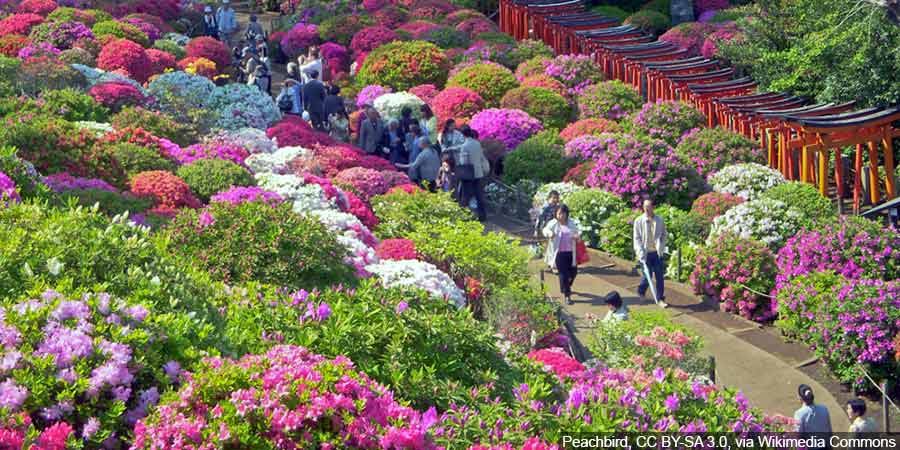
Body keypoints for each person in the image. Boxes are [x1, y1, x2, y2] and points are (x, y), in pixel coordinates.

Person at [633, 199, 667, 306]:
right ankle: (641, 291)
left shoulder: (659, 220)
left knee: (659, 276)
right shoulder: (638, 221)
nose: (646, 209)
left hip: (656, 253)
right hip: (645, 254)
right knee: (647, 276)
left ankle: (660, 298)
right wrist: (639, 252)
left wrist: (661, 247)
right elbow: (636, 238)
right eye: (645, 206)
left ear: (653, 207)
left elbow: (664, 234)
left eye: (648, 206)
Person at [543, 205, 579, 305]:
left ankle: (565, 286)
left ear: (567, 214)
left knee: (574, 272)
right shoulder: (553, 223)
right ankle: (567, 296)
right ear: (556, 214)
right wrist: (550, 234)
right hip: (559, 254)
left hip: (571, 253)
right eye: (559, 213)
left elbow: (577, 232)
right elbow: (545, 230)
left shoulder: (571, 223)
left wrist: (576, 236)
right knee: (563, 274)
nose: (561, 216)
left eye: (563, 213)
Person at [456, 125, 490, 221]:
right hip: (478, 173)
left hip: (468, 174)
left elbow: (464, 162)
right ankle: (482, 215)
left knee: (465, 196)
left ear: (462, 134)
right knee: (479, 195)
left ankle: (463, 216)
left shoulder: (464, 146)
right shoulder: (477, 143)